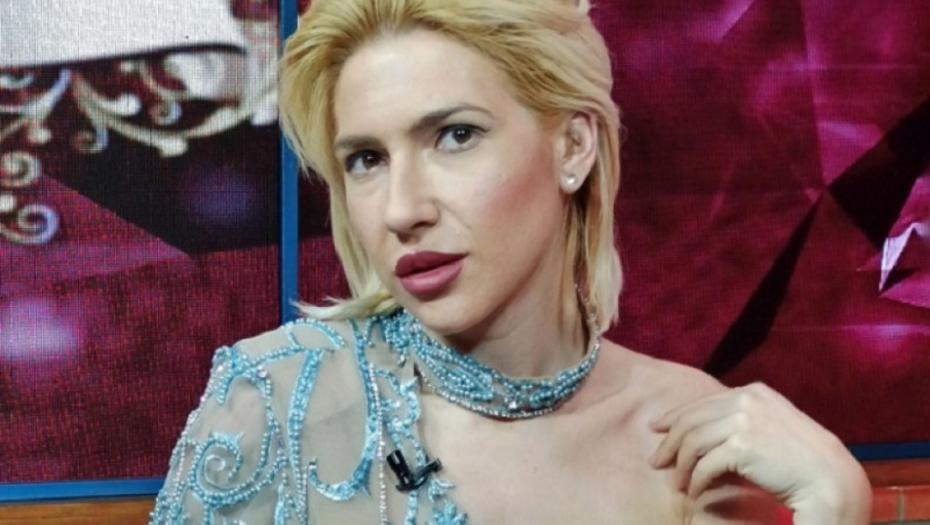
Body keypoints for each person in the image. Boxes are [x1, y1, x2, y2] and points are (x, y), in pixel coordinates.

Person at [150, 0, 872, 523]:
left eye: (455, 135)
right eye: (367, 158)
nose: (401, 209)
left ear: (573, 146)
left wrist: (836, 509)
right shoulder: (276, 398)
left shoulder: (695, 441)